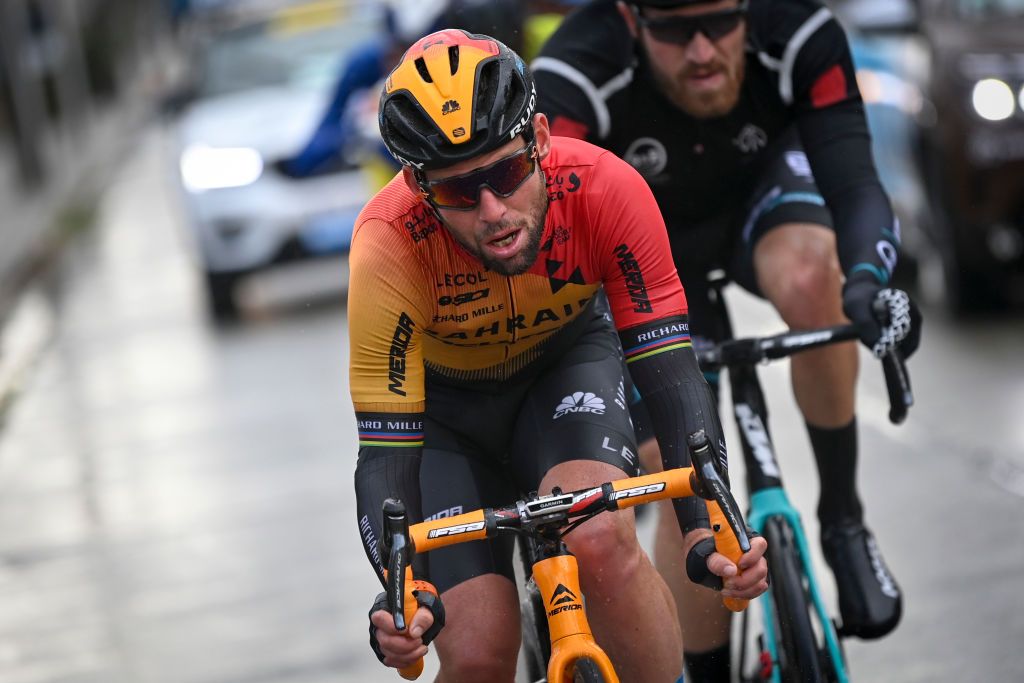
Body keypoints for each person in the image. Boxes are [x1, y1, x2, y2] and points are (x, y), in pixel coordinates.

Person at [348, 29, 769, 682]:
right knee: (479, 651)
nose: (493, 210)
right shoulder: (387, 246)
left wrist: (704, 533)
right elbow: (384, 455)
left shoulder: (607, 189)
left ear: (540, 137)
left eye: (508, 171)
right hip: (447, 421)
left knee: (601, 540)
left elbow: (671, 375)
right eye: (460, 191)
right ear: (416, 182)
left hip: (562, 373)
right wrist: (401, 593)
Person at [532, 0, 923, 679]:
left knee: (815, 277)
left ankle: (842, 515)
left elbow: (856, 184)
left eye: (721, 23)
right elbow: (556, 256)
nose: (704, 51)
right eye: (676, 32)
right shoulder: (576, 70)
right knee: (676, 477)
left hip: (761, 204)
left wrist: (868, 282)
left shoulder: (798, 31)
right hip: (639, 252)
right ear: (629, 17)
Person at [280, 0, 524, 180]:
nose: (413, 56)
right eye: (400, 50)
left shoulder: (478, 54)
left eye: (427, 43)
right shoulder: (366, 63)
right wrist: (298, 166)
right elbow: (330, 123)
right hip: (400, 199)